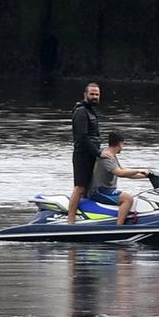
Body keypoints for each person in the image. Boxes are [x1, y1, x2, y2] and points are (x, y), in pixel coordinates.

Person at [88, 132, 159, 223]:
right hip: (99, 191)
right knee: (128, 198)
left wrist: (145, 176)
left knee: (136, 198)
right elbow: (119, 172)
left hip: (107, 190)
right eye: (123, 144)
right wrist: (139, 170)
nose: (123, 146)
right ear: (119, 143)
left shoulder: (111, 155)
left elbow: (124, 171)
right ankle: (119, 227)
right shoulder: (107, 156)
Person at [67, 81, 103, 223]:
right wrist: (98, 153)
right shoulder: (81, 111)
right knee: (80, 187)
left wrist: (97, 152)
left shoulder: (91, 110)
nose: (95, 96)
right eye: (92, 94)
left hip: (92, 154)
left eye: (97, 94)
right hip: (82, 155)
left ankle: (85, 216)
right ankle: (71, 221)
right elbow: (82, 137)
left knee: (89, 188)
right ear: (85, 95)